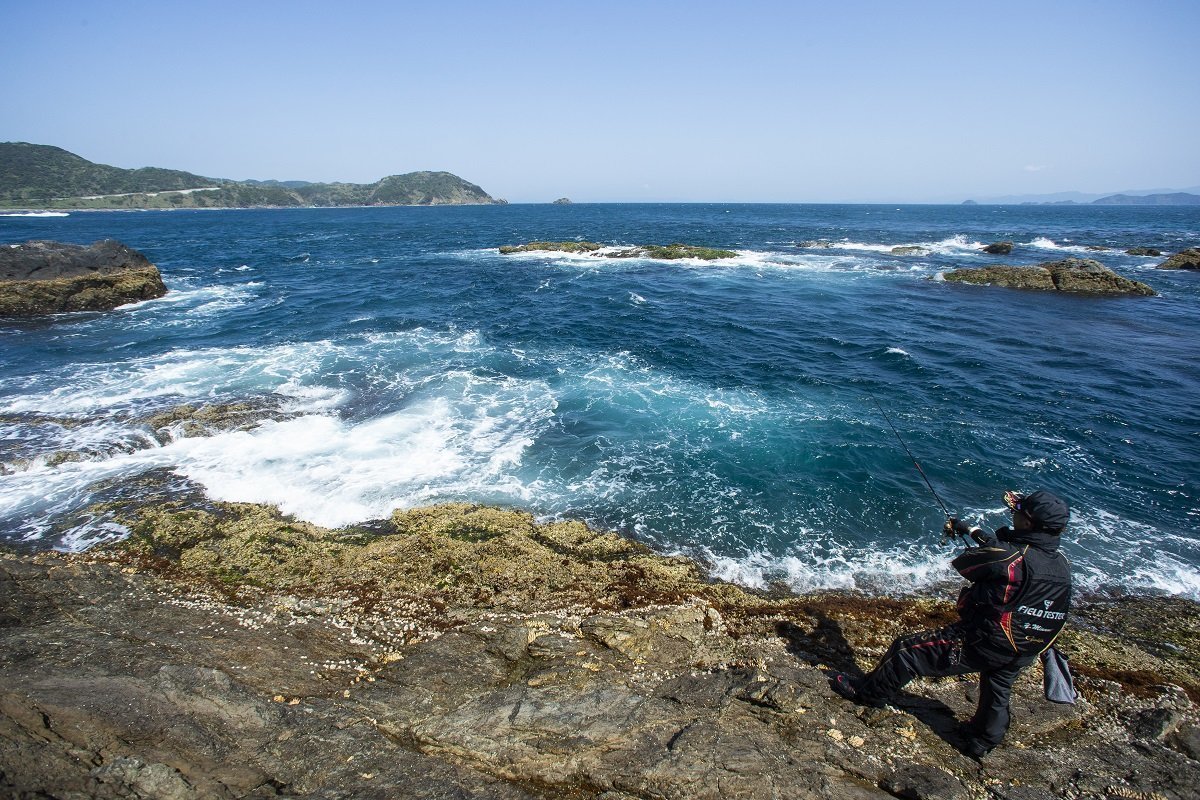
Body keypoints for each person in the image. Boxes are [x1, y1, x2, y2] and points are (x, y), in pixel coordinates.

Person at [829, 489, 1073, 759]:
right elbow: (1008, 554)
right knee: (998, 687)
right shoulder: (1061, 564)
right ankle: (983, 740)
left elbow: (967, 565)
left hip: (985, 640)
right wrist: (971, 530)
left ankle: (866, 693)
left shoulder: (1007, 557)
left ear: (1027, 522)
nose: (1013, 513)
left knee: (906, 651)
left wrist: (985, 540)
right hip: (1028, 647)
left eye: (1018, 511)